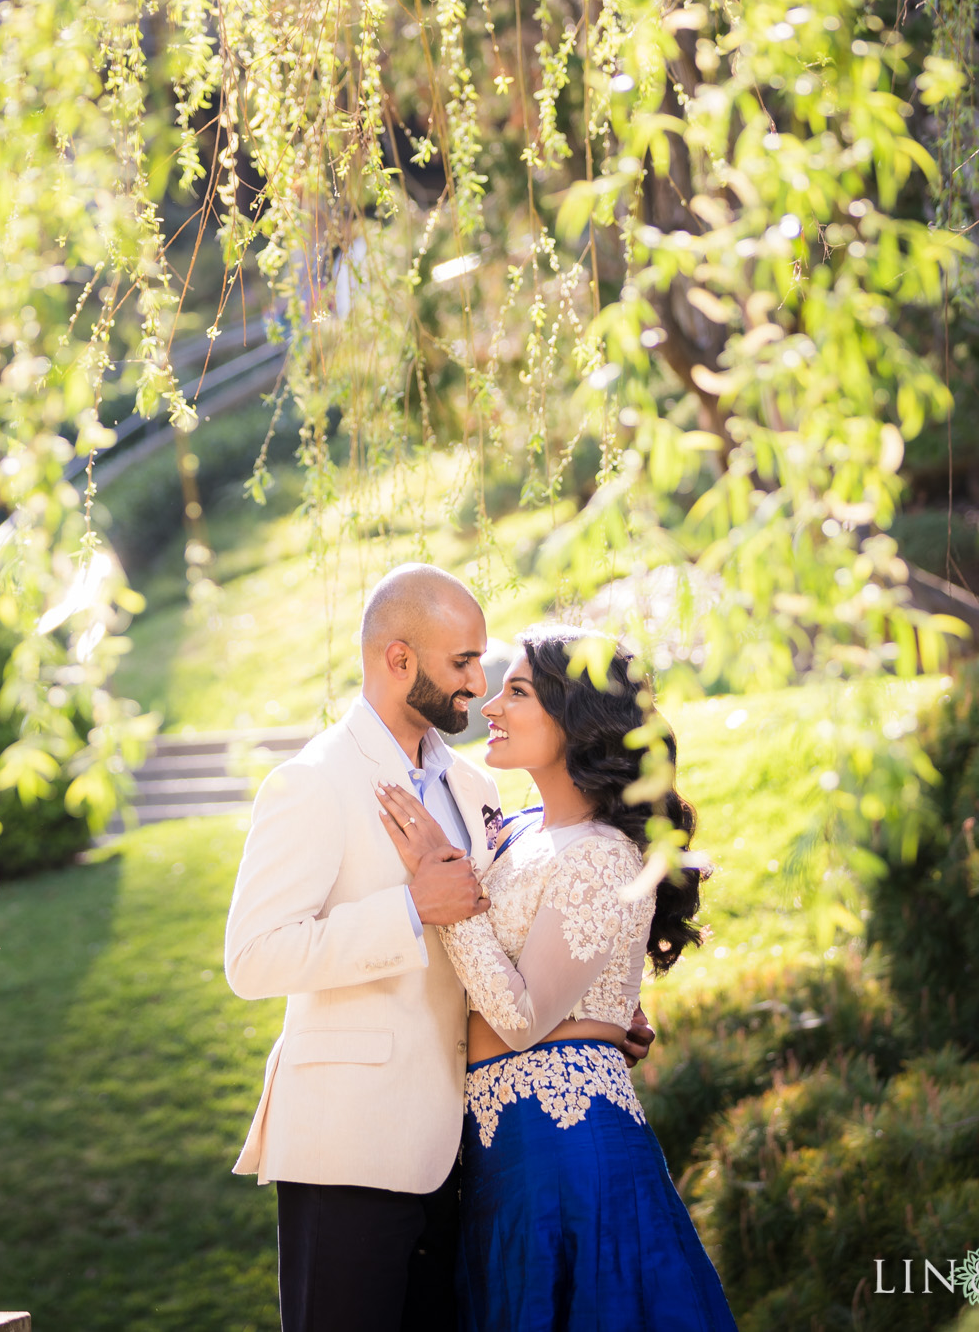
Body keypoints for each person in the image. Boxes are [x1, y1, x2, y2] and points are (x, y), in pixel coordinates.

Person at [224, 568, 654, 1332]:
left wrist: (592, 1010)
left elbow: (507, 927)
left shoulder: (476, 787)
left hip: (467, 1154)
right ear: (399, 661)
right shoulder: (313, 782)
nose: (476, 685)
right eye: (461, 663)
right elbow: (253, 956)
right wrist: (409, 910)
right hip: (348, 1147)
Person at [373, 625, 736, 1332]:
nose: (492, 707)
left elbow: (521, 1016)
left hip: (566, 1150)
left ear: (575, 717)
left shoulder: (604, 854)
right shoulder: (518, 834)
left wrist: (446, 893)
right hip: (499, 1149)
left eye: (517, 691)